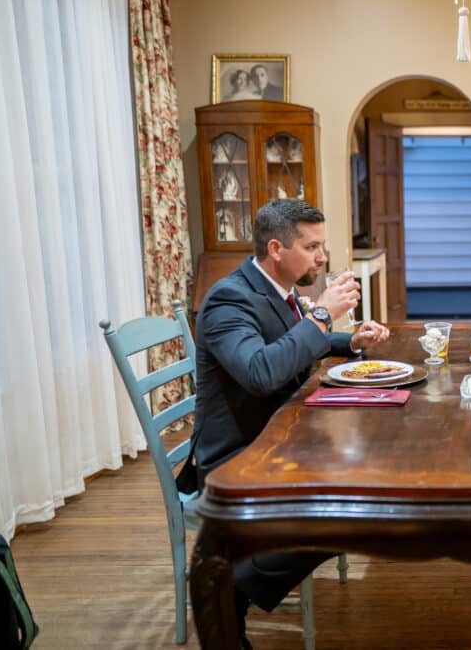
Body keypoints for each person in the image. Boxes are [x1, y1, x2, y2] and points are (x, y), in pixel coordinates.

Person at [192, 198, 390, 647]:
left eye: (322, 246)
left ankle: (237, 581)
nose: (322, 257)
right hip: (240, 456)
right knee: (344, 509)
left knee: (360, 483)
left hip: (283, 436)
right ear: (277, 248)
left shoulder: (275, 290)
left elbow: (291, 345)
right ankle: (229, 589)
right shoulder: (228, 298)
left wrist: (349, 341)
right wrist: (321, 313)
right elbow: (262, 371)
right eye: (312, 246)